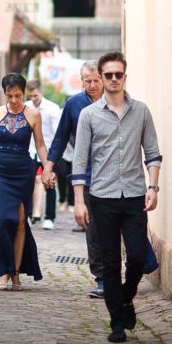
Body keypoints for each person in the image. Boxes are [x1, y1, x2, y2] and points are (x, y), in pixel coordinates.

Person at [72, 52, 162, 344]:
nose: (113, 79)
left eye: (118, 74)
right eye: (108, 75)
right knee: (110, 263)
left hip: (135, 195)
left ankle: (126, 297)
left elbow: (153, 152)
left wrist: (153, 187)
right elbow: (80, 160)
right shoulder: (89, 115)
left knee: (137, 257)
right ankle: (116, 323)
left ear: (125, 77)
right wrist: (79, 201)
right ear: (101, 77)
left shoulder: (141, 111)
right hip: (102, 197)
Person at [0, 73, 53, 291]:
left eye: (18, 95)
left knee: (20, 222)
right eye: (9, 96)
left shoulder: (33, 114)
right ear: (4, 94)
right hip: (1, 171)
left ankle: (16, 272)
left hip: (23, 171)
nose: (13, 100)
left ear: (24, 93)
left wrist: (47, 168)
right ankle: (4, 271)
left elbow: (40, 145)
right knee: (3, 221)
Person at [42, 60, 106, 298]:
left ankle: (140, 263)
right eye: (88, 81)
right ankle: (102, 279)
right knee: (94, 228)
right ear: (82, 81)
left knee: (123, 224)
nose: (92, 85)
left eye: (96, 80)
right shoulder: (74, 104)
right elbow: (60, 139)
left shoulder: (114, 101)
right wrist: (49, 167)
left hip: (113, 173)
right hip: (86, 174)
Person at [26, 79, 62, 230]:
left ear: (41, 91)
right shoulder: (26, 107)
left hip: (48, 151)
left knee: (50, 183)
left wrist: (53, 155)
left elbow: (58, 133)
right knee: (27, 184)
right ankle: (28, 215)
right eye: (31, 96)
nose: (33, 98)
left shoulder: (52, 109)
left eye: (35, 95)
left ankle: (49, 218)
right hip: (29, 151)